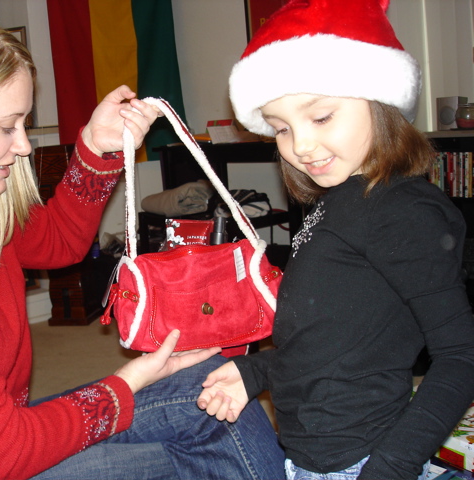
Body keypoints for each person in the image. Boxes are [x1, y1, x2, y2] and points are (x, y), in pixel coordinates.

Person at [0, 7, 286, 480]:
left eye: (24, 125)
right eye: (8, 127)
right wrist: (129, 381)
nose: (25, 145)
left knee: (209, 387)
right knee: (199, 448)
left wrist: (97, 143)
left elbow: (57, 242)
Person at [197, 1, 474, 479]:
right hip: (309, 458)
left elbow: (460, 355)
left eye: (321, 117)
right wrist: (256, 373)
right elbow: (331, 336)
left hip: (366, 462)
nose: (300, 146)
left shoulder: (403, 212)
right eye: (281, 129)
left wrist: (392, 467)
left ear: (381, 102)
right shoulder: (339, 198)